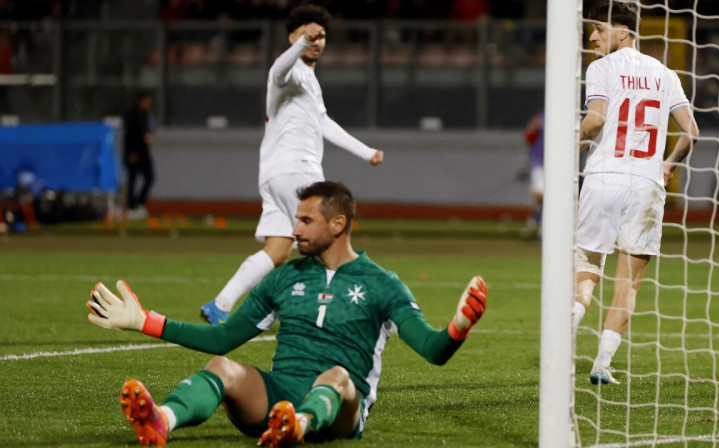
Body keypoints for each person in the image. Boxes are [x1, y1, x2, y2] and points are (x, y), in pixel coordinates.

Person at [86, 180, 487, 447]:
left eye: (305, 220)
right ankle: (162, 420)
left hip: (342, 411)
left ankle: (299, 426)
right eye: (296, 218)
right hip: (276, 400)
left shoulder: (382, 283)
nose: (294, 229)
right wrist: (145, 322)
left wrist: (459, 326)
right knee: (223, 366)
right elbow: (223, 337)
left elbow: (433, 349)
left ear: (338, 224)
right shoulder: (283, 278)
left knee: (338, 376)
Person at [200, 5, 384, 325]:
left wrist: (366, 152)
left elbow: (324, 123)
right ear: (292, 37)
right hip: (298, 170)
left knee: (277, 251)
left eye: (321, 36)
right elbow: (278, 69)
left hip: (274, 174)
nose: (316, 40)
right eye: (308, 35)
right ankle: (347, 312)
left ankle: (221, 305)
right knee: (328, 240)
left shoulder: (310, 80)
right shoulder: (290, 71)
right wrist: (299, 45)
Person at [572, 1, 699, 385]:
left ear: (622, 31)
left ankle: (563, 340)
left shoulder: (601, 68)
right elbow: (691, 132)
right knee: (628, 284)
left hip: (603, 178)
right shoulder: (665, 74)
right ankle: (602, 364)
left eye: (598, 29)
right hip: (645, 184)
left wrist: (568, 143)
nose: (592, 36)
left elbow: (595, 120)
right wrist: (668, 165)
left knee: (587, 272)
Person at [123, 91, 156, 220]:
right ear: (140, 101)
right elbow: (129, 135)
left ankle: (138, 204)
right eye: (147, 101)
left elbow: (146, 132)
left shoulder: (145, 115)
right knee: (132, 179)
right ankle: (131, 207)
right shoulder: (132, 115)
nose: (148, 104)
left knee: (150, 177)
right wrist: (131, 152)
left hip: (144, 152)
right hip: (133, 152)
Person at [521, 111, 544, 238]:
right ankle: (536, 220)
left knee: (546, 197)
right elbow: (528, 138)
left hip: (558, 164)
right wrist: (533, 127)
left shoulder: (564, 116)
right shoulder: (539, 118)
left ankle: (536, 221)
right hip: (539, 163)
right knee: (540, 196)